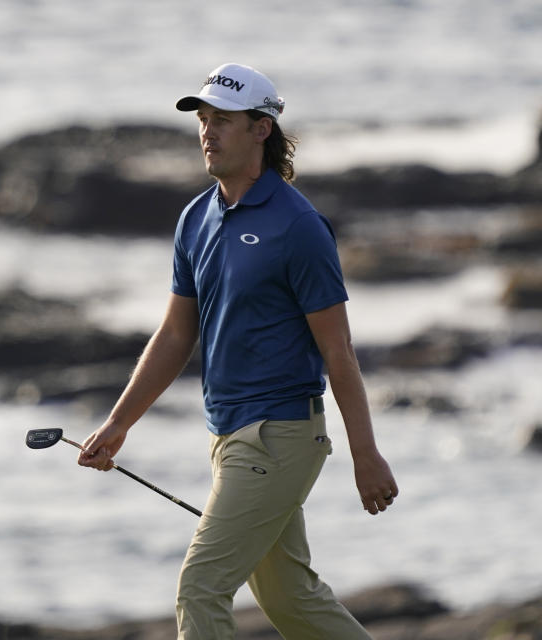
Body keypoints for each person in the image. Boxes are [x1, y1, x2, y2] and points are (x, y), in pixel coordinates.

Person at [78, 62, 399, 640]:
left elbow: (339, 351)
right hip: (227, 435)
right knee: (290, 598)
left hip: (279, 437)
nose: (208, 132)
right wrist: (118, 423)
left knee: (200, 587)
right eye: (203, 120)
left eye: (223, 120)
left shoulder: (298, 226)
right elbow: (177, 334)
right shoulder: (195, 219)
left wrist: (366, 455)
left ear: (261, 130)